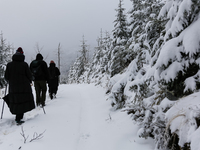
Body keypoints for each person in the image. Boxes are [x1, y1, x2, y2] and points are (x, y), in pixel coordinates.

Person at [4, 47, 35, 124]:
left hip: (13, 87)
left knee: (15, 101)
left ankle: (18, 116)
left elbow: (6, 77)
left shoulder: (9, 65)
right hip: (24, 87)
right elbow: (29, 75)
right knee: (22, 101)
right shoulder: (24, 65)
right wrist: (31, 80)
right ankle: (19, 117)